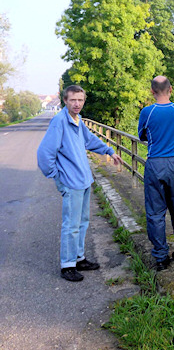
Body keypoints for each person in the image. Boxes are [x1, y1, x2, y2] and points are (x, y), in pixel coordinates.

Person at [37, 85, 123, 282]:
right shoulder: (60, 121)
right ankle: (67, 265)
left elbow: (89, 139)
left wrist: (108, 151)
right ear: (65, 100)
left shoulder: (78, 119)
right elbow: (44, 153)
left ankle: (79, 258)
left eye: (80, 100)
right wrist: (56, 176)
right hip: (70, 181)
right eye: (73, 100)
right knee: (71, 224)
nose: (77, 104)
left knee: (82, 222)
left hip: (84, 180)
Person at [138, 76, 174, 271]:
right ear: (170, 89)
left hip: (155, 162)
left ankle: (161, 257)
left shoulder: (147, 112)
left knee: (155, 212)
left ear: (152, 91)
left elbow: (142, 135)